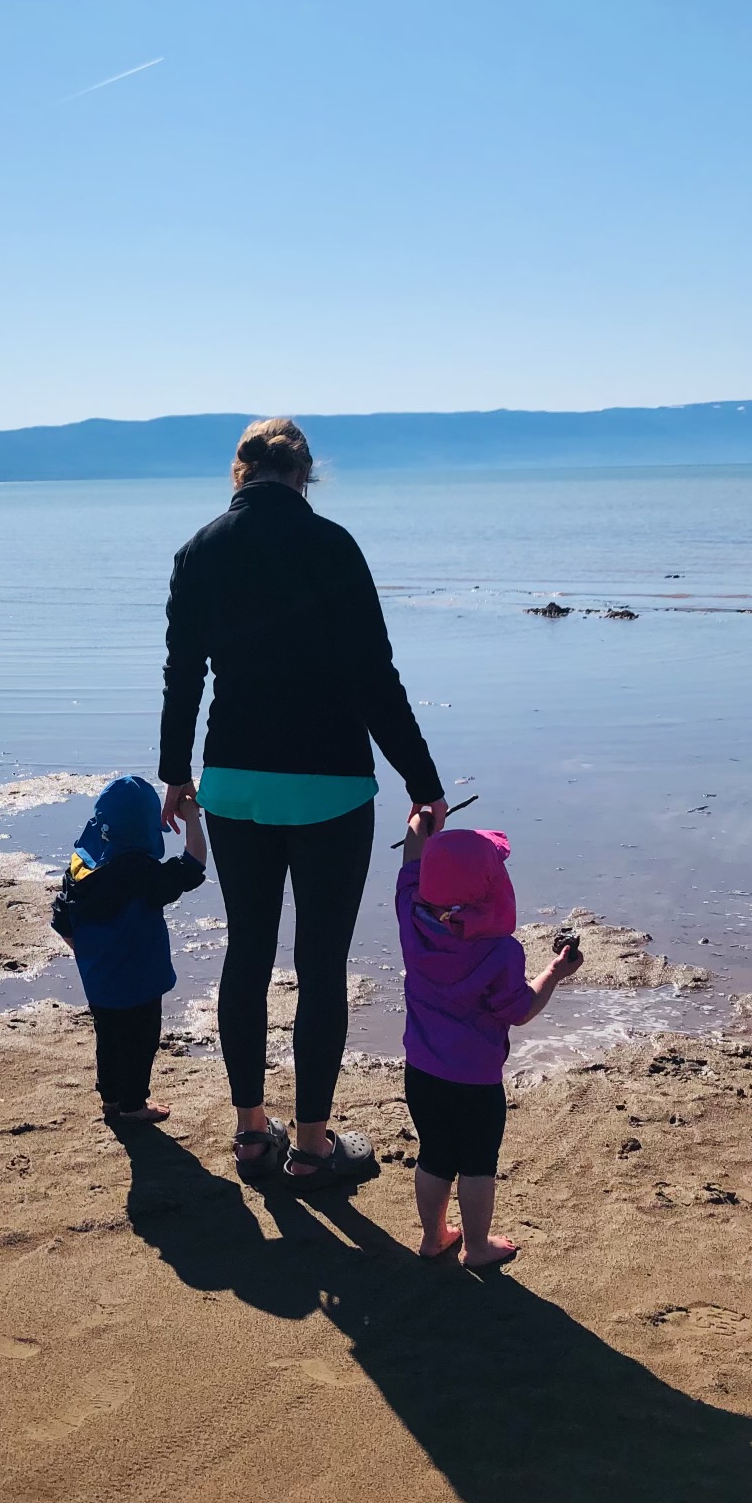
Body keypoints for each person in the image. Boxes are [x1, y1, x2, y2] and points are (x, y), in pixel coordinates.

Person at [160, 417, 448, 1190]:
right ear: (304, 475)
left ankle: (253, 1135)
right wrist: (424, 782)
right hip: (330, 783)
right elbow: (374, 678)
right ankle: (314, 1146)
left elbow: (183, 673)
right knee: (321, 964)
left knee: (246, 952)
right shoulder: (334, 545)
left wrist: (174, 773)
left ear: (239, 472)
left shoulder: (201, 550)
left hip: (236, 783)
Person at [398, 814, 582, 1267]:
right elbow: (518, 1010)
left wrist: (420, 821)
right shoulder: (500, 950)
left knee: (434, 1156)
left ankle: (433, 1236)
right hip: (477, 1081)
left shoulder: (412, 917)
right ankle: (477, 1247)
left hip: (422, 1071)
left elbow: (409, 863)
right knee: (478, 1163)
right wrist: (555, 973)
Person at [51, 774, 208, 1123]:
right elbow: (194, 866)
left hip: (100, 982)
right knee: (140, 1043)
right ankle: (134, 1104)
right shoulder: (144, 874)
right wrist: (193, 816)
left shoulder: (80, 872)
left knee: (108, 1039)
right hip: (141, 982)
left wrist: (86, 953)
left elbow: (62, 918)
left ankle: (110, 1099)